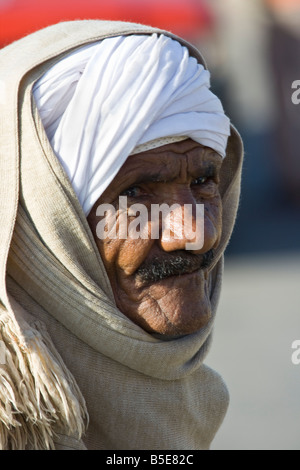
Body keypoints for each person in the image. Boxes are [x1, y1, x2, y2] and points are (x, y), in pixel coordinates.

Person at [0, 20, 243, 450]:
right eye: (134, 194)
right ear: (39, 222)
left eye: (204, 180)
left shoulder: (189, 404)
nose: (196, 235)